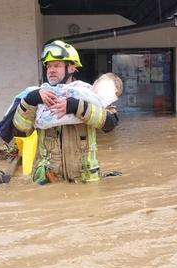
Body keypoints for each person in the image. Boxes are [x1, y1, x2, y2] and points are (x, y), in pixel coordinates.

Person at [12, 40, 120, 184]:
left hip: (85, 181)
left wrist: (76, 107)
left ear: (71, 67)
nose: (51, 70)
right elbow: (20, 129)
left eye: (56, 65)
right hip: (49, 180)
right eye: (48, 66)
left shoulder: (89, 95)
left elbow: (110, 124)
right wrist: (30, 101)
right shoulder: (38, 97)